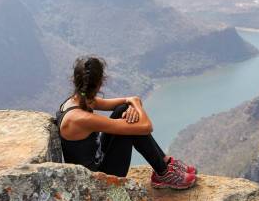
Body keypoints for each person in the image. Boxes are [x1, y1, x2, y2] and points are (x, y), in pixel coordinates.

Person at [55, 56, 196, 189]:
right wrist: (137, 106)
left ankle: (164, 163)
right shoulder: (80, 119)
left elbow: (124, 102)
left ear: (75, 81)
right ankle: (164, 173)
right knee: (130, 130)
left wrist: (132, 103)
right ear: (100, 83)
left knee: (122, 109)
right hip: (96, 183)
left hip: (96, 162)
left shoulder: (77, 100)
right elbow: (146, 127)